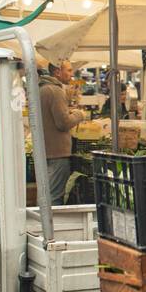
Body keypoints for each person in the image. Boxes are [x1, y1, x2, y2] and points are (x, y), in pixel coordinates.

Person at [39, 58, 87, 204]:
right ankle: (52, 226)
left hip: (46, 151)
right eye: (69, 70)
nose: (71, 74)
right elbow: (63, 123)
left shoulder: (43, 88)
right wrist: (79, 115)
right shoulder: (55, 90)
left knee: (46, 195)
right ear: (58, 72)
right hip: (57, 152)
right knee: (54, 198)